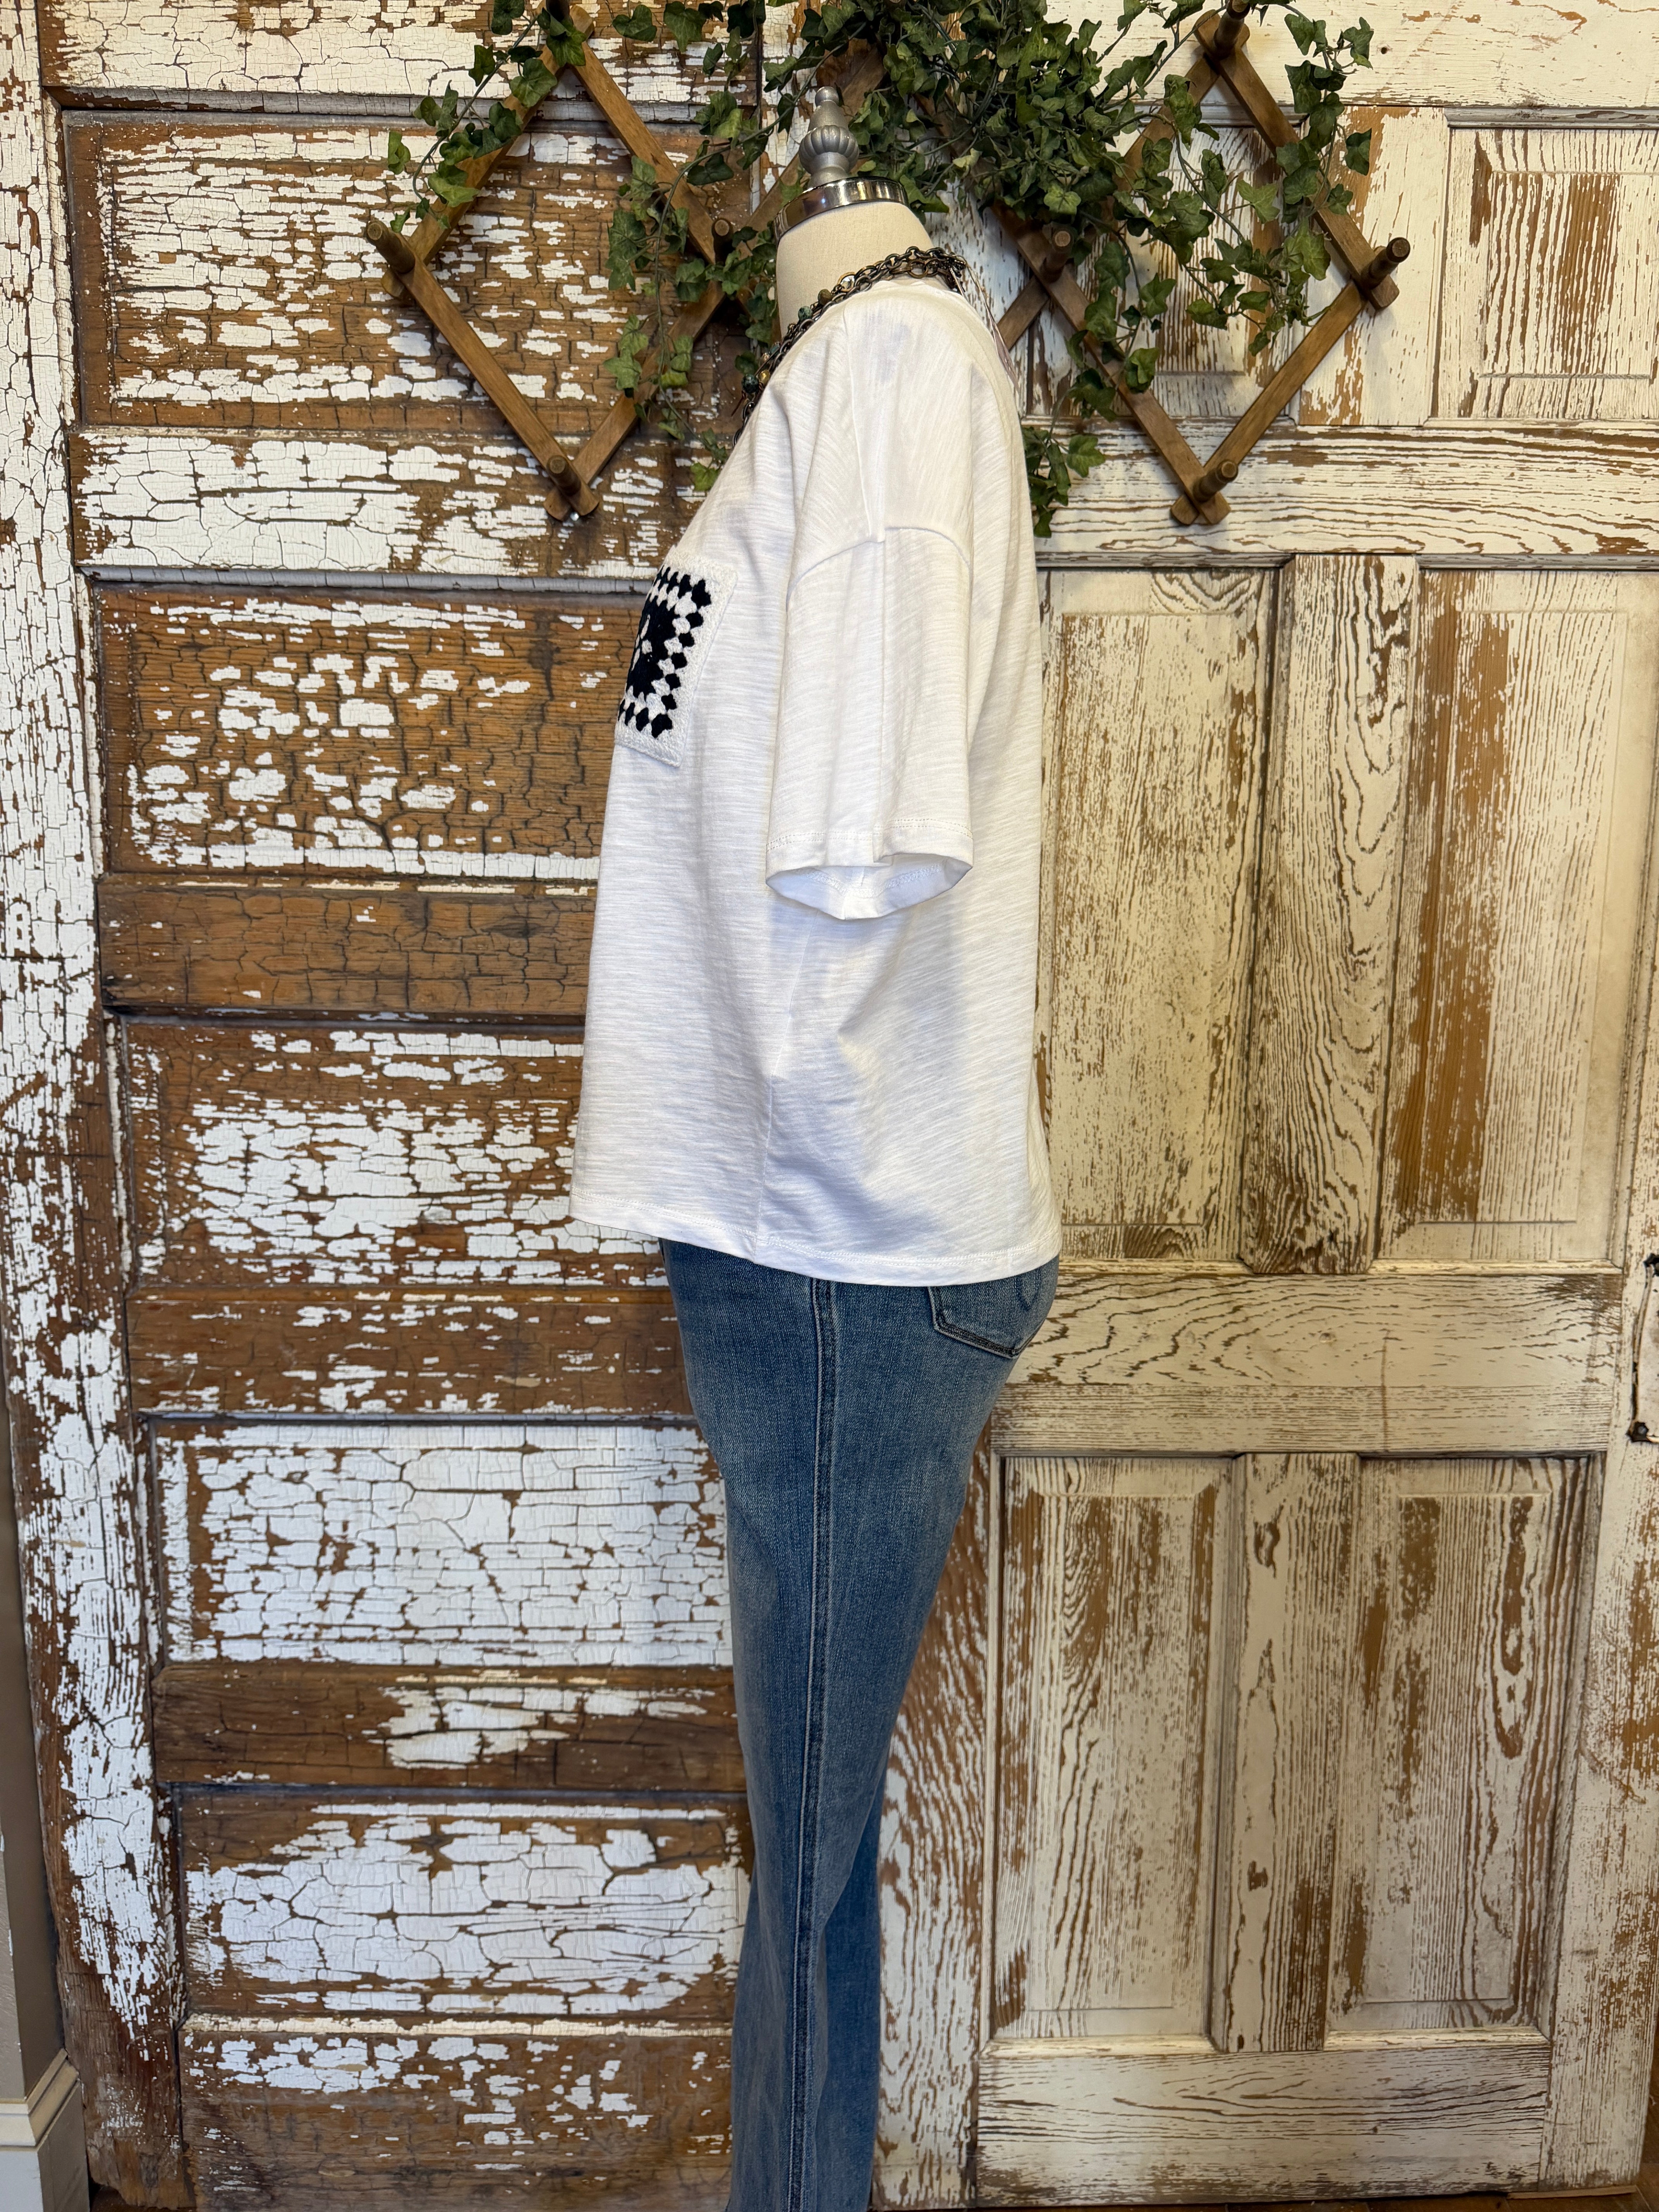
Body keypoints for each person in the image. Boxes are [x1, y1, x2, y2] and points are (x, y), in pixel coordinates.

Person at [570, 90, 1060, 2212]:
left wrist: (771, 1176)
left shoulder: (886, 374)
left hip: (842, 1248)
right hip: (812, 1244)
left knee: (815, 1860)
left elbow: (865, 857)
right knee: (809, 1843)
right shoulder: (863, 374)